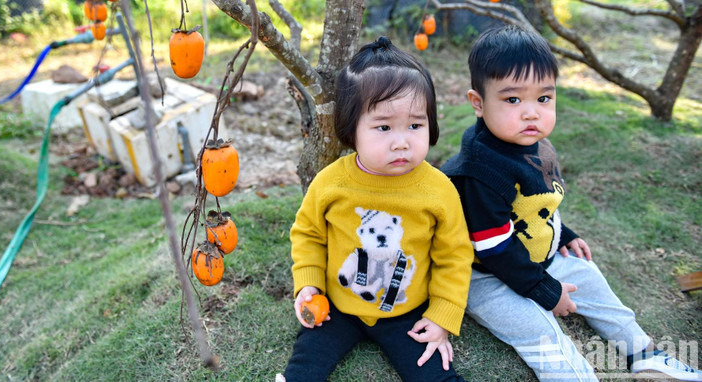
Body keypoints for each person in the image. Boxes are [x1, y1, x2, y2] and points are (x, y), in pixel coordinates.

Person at [441, 25, 701, 382]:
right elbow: (495, 249)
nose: (531, 113)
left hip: (534, 257)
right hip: (483, 276)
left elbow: (536, 206)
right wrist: (548, 293)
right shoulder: (479, 172)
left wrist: (564, 236)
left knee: (588, 276)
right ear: (478, 103)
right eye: (513, 99)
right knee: (539, 328)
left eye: (543, 99)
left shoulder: (536, 144)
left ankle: (644, 353)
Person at [277, 36, 473, 382]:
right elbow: (307, 234)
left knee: (435, 373)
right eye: (384, 127)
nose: (402, 141)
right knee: (305, 365)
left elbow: (454, 255)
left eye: (415, 125)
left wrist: (443, 314)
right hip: (337, 308)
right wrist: (308, 284)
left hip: (406, 312)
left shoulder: (438, 190)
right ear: (351, 130)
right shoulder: (331, 183)